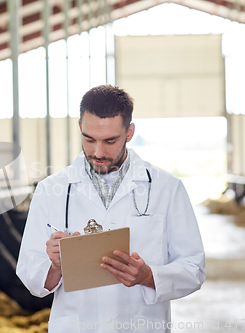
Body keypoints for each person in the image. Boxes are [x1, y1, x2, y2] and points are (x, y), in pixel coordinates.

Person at [16, 85, 205, 333]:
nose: (98, 152)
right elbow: (31, 277)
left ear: (129, 132)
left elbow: (194, 267)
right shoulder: (51, 190)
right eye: (89, 139)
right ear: (80, 127)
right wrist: (56, 266)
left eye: (110, 141)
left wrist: (148, 276)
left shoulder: (166, 188)